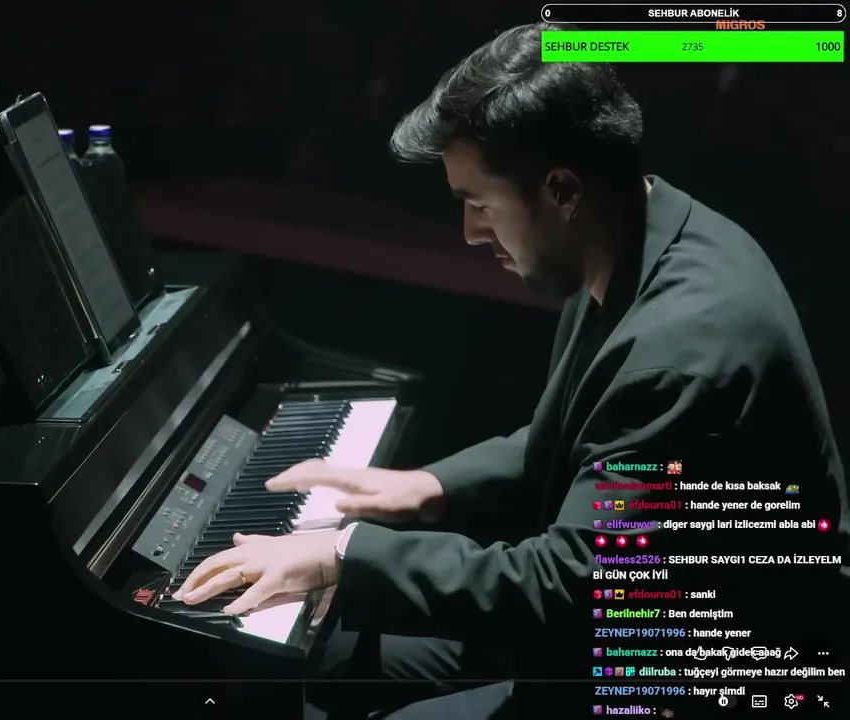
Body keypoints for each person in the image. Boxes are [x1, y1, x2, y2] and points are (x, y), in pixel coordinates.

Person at [173, 21, 848, 719]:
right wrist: (429, 484)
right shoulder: (643, 231)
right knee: (326, 655)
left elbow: (574, 585)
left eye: (479, 203)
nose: (470, 232)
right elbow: (602, 440)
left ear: (562, 191)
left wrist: (339, 556)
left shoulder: (682, 345)